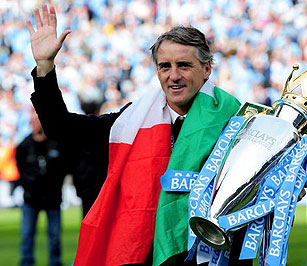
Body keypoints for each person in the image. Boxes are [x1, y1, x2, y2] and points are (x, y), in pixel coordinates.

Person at [27, 5, 245, 266]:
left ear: (207, 69)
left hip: (215, 255)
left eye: (184, 65)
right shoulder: (133, 120)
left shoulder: (237, 119)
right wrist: (45, 67)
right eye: (165, 66)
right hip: (147, 254)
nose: (173, 76)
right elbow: (61, 127)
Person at [15, 111, 70, 266]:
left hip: (52, 197)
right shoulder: (24, 146)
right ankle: (26, 261)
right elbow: (20, 170)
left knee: (54, 234)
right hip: (31, 198)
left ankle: (55, 261)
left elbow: (63, 167)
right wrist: (30, 184)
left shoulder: (55, 143)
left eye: (37, 121)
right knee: (27, 233)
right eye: (32, 121)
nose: (34, 124)